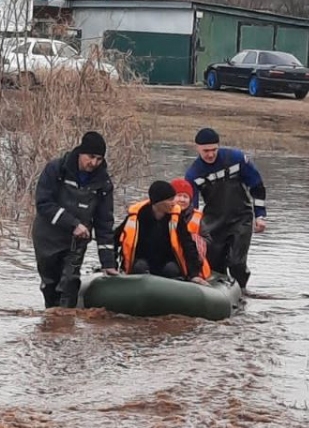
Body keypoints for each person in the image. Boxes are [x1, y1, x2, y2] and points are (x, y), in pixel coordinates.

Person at [32, 130, 118, 308]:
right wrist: (73, 223)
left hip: (77, 241)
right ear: (80, 152)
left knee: (69, 282)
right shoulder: (56, 169)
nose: (94, 163)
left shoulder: (104, 183)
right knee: (50, 284)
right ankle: (51, 325)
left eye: (99, 159)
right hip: (47, 236)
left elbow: (104, 222)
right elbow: (43, 203)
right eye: (91, 157)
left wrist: (108, 262)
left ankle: (66, 326)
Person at [184, 128, 266, 290]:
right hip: (213, 222)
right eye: (205, 151)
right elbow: (192, 207)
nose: (210, 154)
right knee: (214, 265)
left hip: (241, 218)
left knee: (237, 263)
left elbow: (256, 185)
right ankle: (220, 298)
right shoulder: (193, 174)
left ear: (219, 146)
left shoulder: (236, 158)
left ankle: (241, 291)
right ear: (197, 148)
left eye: (214, 149)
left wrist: (260, 216)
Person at [115, 180, 206, 282]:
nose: (174, 203)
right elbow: (115, 239)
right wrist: (111, 265)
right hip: (142, 262)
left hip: (167, 262)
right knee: (140, 266)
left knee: (171, 269)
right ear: (158, 202)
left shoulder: (176, 218)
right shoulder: (136, 217)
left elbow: (188, 246)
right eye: (170, 199)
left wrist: (194, 274)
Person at [170, 178, 211, 277]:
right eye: (179, 196)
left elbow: (208, 240)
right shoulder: (165, 213)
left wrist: (193, 239)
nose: (182, 200)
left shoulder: (197, 217)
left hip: (191, 260)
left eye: (185, 197)